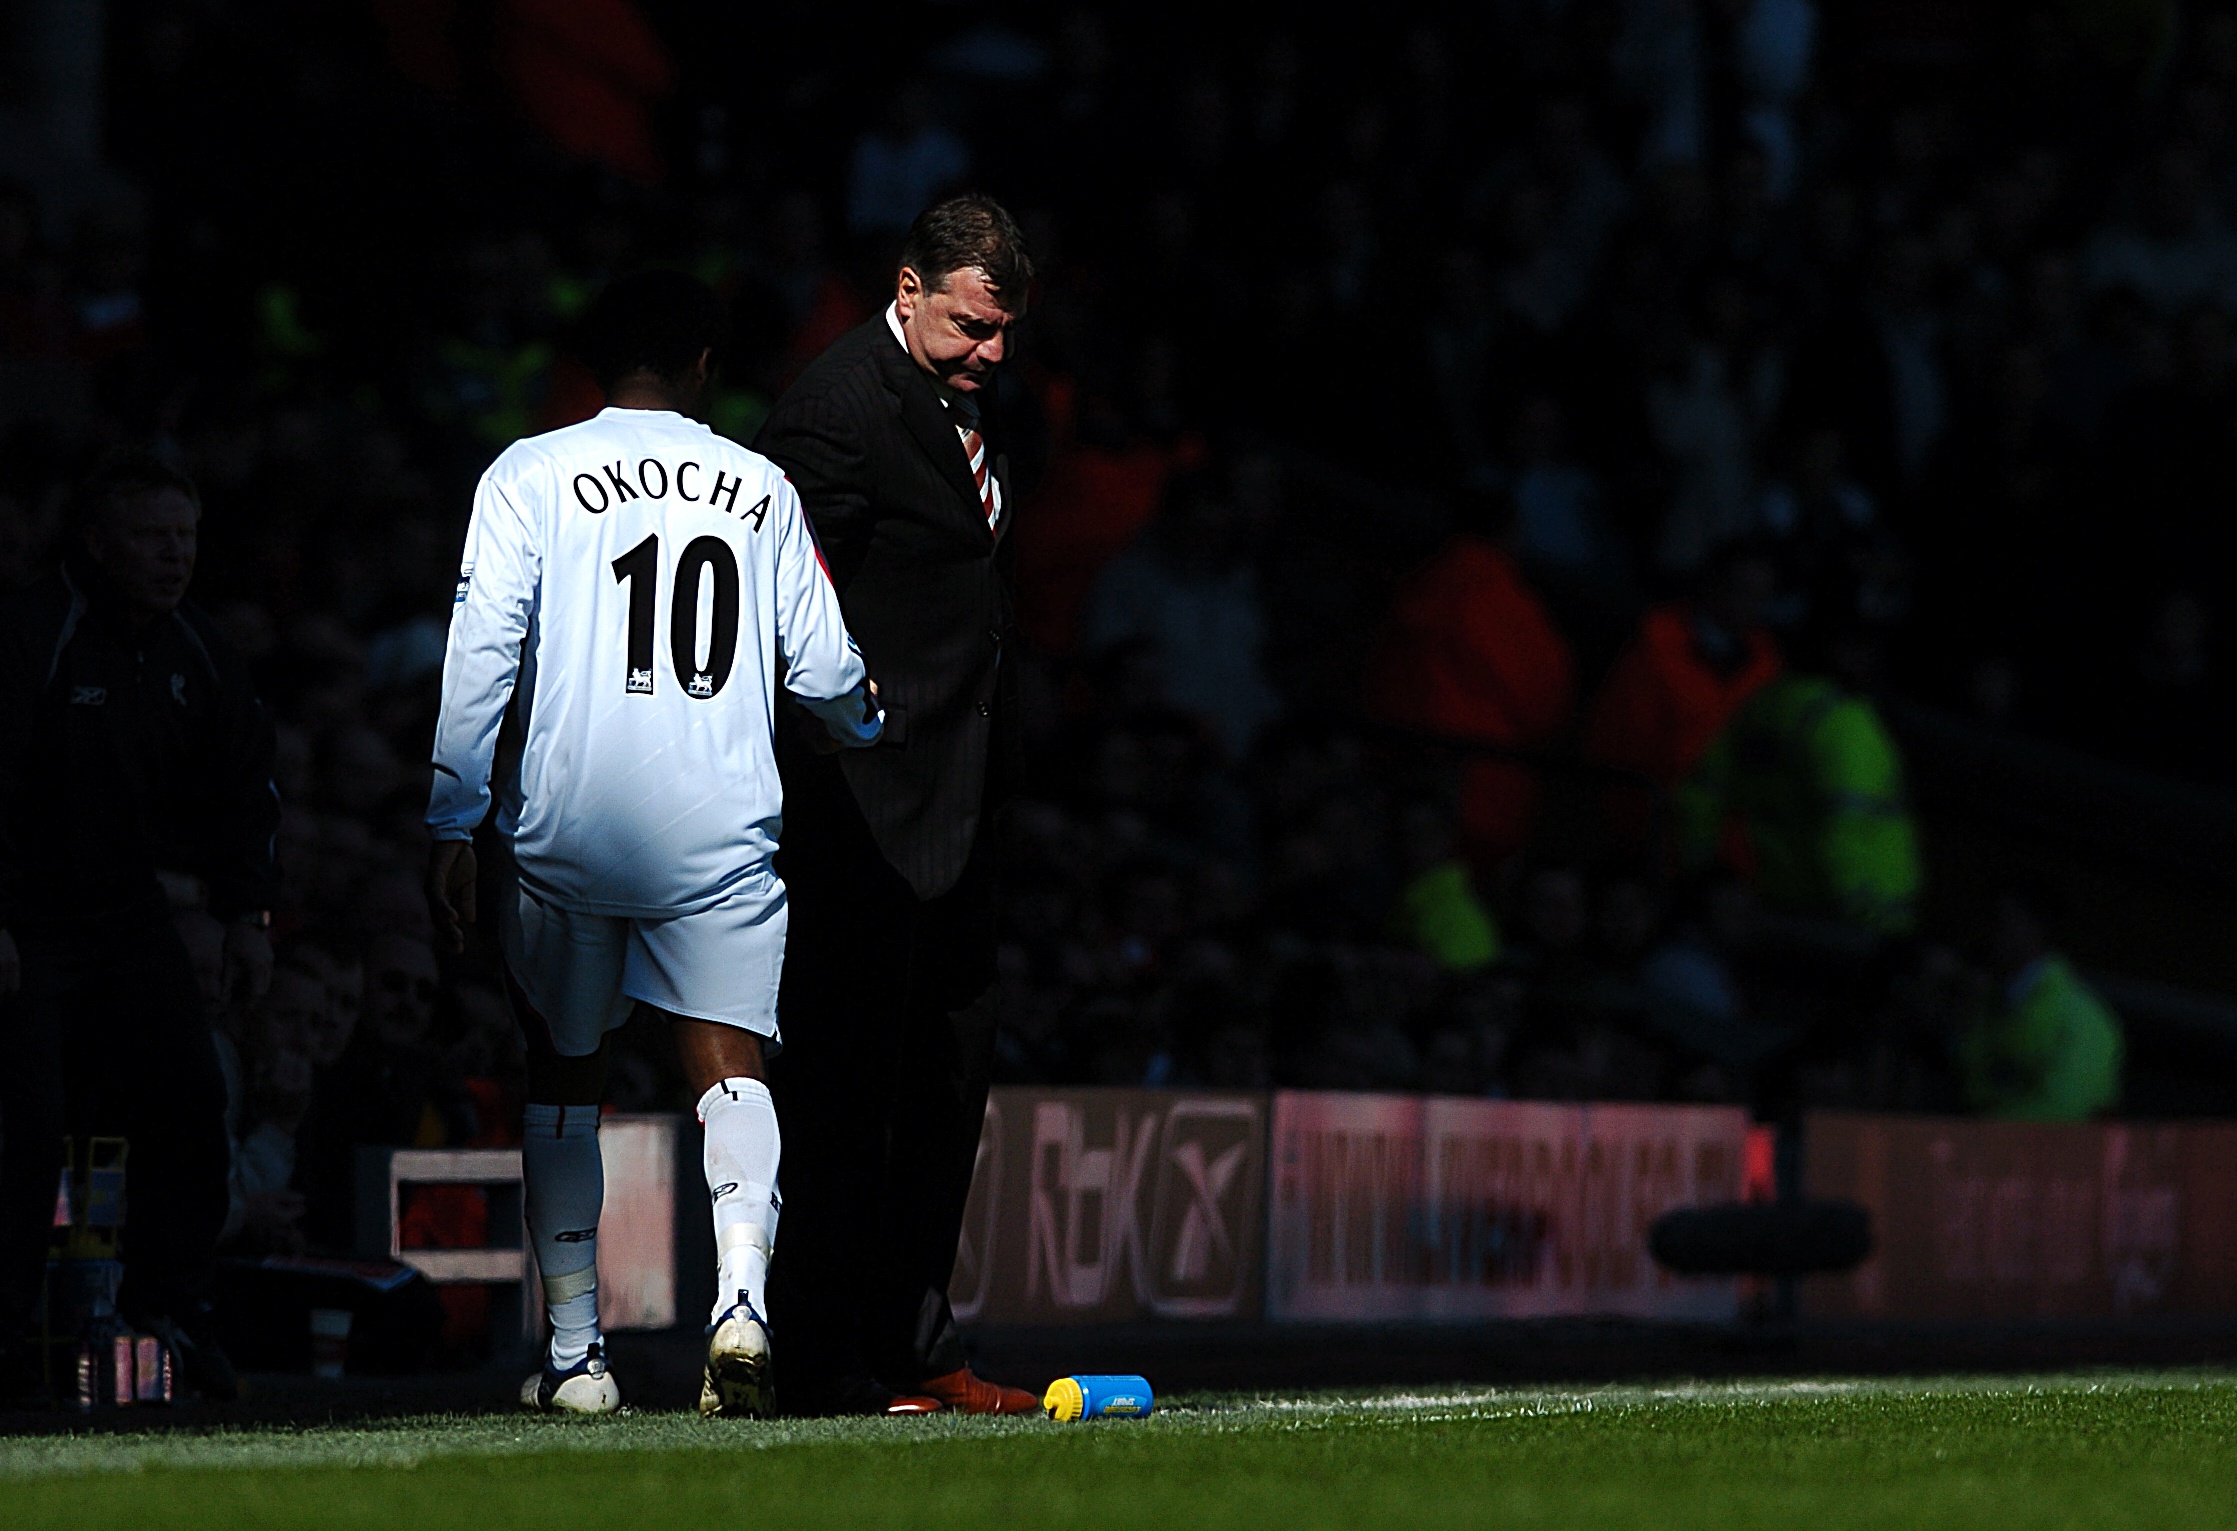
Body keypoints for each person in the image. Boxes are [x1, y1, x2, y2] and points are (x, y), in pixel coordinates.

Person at [425, 270, 881, 1418]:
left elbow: (481, 653)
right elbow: (826, 673)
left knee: (566, 1077)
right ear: (704, 373)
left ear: (590, 367)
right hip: (717, 827)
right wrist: (865, 723)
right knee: (730, 1069)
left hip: (569, 825)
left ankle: (578, 1357)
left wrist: (450, 817)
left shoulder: (527, 472)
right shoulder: (759, 484)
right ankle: (740, 1306)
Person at [753, 194, 1041, 1417]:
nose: (991, 353)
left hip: (956, 804)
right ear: (909, 287)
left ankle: (915, 1341)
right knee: (846, 1089)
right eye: (973, 326)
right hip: (861, 805)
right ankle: (820, 1357)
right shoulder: (835, 408)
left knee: (943, 1079)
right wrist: (847, 744)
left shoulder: (943, 396)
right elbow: (786, 602)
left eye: (1003, 334)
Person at [0, 450, 279, 1405]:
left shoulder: (196, 652)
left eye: (188, 535)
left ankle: (175, 1309)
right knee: (25, 1130)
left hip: (128, 916)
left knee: (193, 1098)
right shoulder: (34, 634)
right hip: (26, 922)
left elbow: (248, 793)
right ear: (97, 540)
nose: (176, 555)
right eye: (155, 535)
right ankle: (6, 1338)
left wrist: (249, 914)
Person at [1957, 887, 2124, 1122]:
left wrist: (1979, 1131)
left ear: (2035, 929)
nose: (1991, 933)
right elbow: (1974, 1084)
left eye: (2003, 922)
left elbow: (2066, 1111)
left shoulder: (2083, 1018)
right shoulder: (1989, 1003)